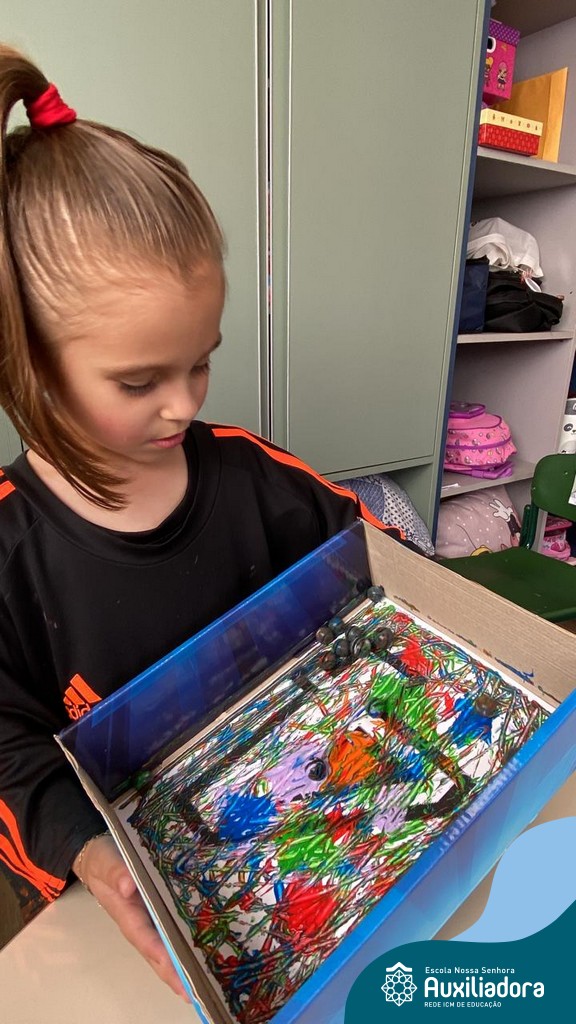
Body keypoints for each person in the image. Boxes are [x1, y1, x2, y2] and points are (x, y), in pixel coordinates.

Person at [0, 44, 413, 1000]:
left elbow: (390, 575)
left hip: (315, 832)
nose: (185, 404)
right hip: (119, 924)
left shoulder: (257, 477)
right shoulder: (13, 556)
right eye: (139, 381)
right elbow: (11, 757)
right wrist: (92, 854)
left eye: (202, 361)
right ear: (26, 361)